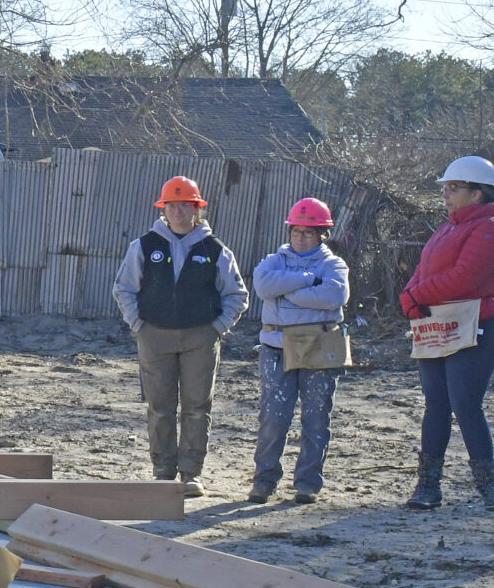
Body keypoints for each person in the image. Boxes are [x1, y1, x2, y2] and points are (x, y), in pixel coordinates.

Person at [110, 175, 247, 498]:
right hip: (154, 337)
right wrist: (139, 326)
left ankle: (191, 474)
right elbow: (123, 289)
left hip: (201, 338)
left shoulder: (215, 250)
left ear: (197, 209)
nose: (178, 212)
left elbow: (237, 295)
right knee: (160, 406)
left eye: (185, 205)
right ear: (163, 208)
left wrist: (217, 328)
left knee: (198, 407)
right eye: (172, 205)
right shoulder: (143, 246)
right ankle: (163, 471)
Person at [399, 155, 494, 510]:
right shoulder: (448, 228)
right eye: (446, 188)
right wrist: (410, 297)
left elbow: (465, 279)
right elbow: (423, 272)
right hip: (438, 325)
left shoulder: (488, 228)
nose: (446, 194)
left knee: (465, 404)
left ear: (478, 194)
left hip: (475, 326)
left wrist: (415, 295)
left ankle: (488, 485)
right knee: (436, 404)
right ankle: (428, 487)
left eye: (454, 188)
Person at [248, 198, 350, 505]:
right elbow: (264, 287)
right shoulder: (273, 261)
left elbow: (334, 294)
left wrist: (286, 294)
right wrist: (306, 281)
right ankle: (264, 482)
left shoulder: (333, 265)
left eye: (309, 232)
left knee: (316, 417)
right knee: (273, 417)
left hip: (319, 346)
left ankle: (307, 484)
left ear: (322, 235)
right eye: (297, 232)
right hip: (276, 348)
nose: (301, 237)